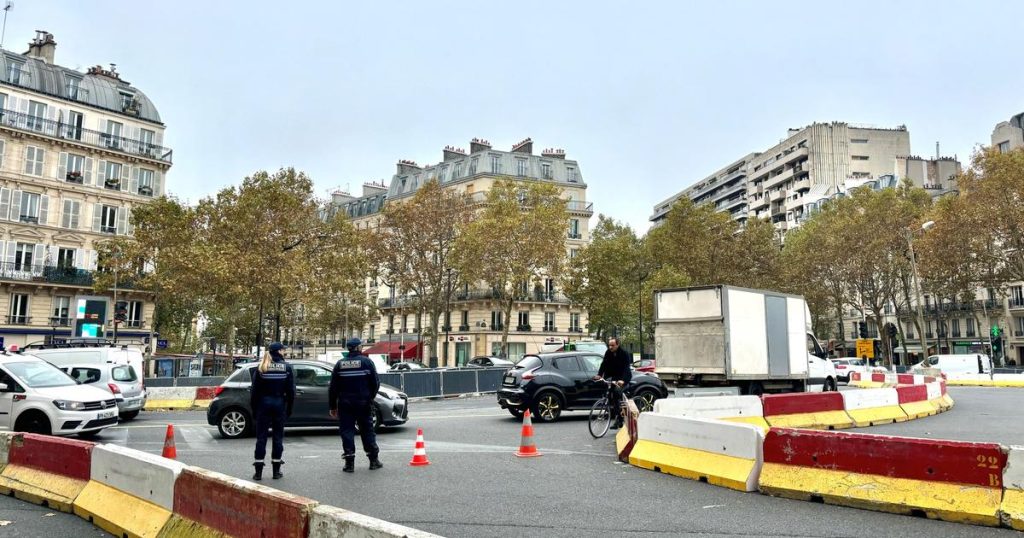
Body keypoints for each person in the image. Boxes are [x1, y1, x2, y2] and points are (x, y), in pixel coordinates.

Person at [329, 338, 383, 473]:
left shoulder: (340, 364)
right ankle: (373, 460)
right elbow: (375, 383)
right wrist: (370, 397)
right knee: (367, 430)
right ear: (358, 348)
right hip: (363, 402)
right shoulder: (367, 362)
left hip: (345, 403)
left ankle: (349, 463)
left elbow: (333, 388)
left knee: (347, 431)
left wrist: (332, 406)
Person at [250, 342, 295, 481]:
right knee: (277, 438)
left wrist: (254, 409)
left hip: (263, 406)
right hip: (279, 405)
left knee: (261, 438)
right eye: (283, 350)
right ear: (280, 351)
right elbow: (291, 391)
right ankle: (276, 471)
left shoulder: (262, 367)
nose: (284, 352)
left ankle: (258, 472)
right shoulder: (286, 368)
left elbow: (254, 392)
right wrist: (289, 409)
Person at [593, 337, 632, 429]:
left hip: (623, 377)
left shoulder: (624, 354)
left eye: (612, 345)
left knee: (616, 392)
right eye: (609, 345)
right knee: (609, 395)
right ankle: (618, 417)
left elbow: (626, 368)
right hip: (612, 377)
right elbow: (604, 364)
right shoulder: (608, 353)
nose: (610, 347)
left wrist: (623, 380)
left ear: (617, 345)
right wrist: (599, 375)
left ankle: (620, 418)